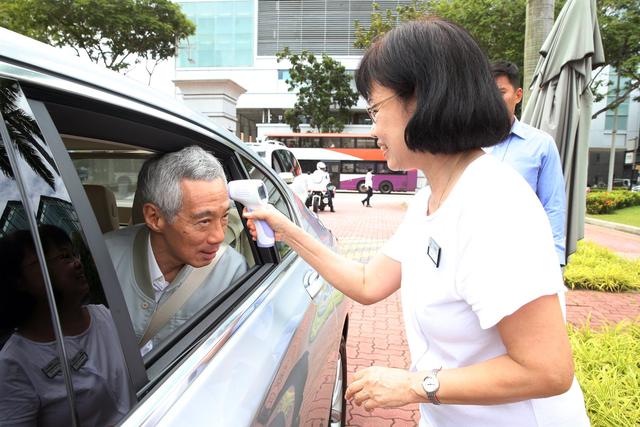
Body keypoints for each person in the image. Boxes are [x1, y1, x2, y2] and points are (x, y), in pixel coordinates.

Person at [244, 18, 589, 427]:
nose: (373, 128)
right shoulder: (430, 197)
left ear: (422, 98)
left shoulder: (493, 205)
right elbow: (368, 283)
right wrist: (285, 228)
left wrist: (414, 386)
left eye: (375, 109)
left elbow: (547, 370)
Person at [104, 146, 247, 354]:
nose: (218, 236)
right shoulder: (103, 259)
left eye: (224, 216)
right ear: (155, 218)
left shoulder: (231, 271)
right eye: (204, 221)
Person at [0, 225, 133, 426]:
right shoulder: (15, 364)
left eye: (73, 254)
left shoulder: (104, 316)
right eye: (63, 258)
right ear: (19, 281)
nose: (77, 263)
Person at [489, 61, 567, 265]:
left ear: (518, 95)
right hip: (473, 258)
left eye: (501, 91)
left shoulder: (541, 145)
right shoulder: (466, 143)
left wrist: (555, 260)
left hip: (523, 258)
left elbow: (553, 205)